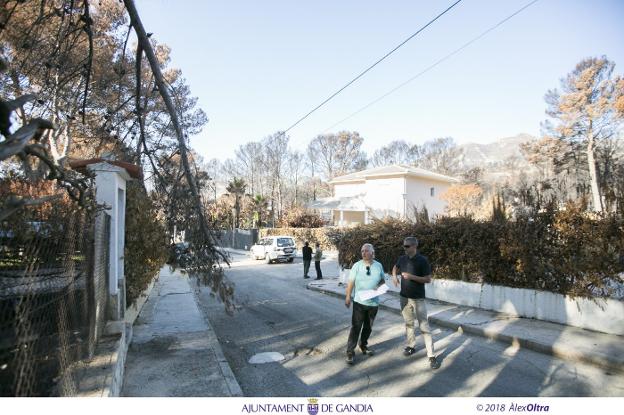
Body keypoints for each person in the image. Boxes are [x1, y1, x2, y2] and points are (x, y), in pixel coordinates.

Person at [392, 236, 441, 370]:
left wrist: (411, 277)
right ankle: (411, 346)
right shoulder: (402, 258)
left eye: (407, 246)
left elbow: (428, 279)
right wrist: (394, 276)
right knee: (408, 324)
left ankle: (431, 356)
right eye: (404, 246)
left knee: (424, 327)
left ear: (414, 246)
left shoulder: (422, 260)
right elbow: (395, 267)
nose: (404, 248)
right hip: (404, 298)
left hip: (418, 299)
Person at [344, 243, 386, 365]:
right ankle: (350, 352)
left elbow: (382, 280)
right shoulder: (357, 266)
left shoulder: (378, 266)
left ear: (372, 253)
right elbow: (351, 282)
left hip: (373, 303)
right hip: (359, 302)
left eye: (366, 251)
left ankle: (363, 345)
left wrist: (378, 287)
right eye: (362, 251)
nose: (363, 253)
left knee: (368, 327)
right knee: (356, 327)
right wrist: (348, 297)